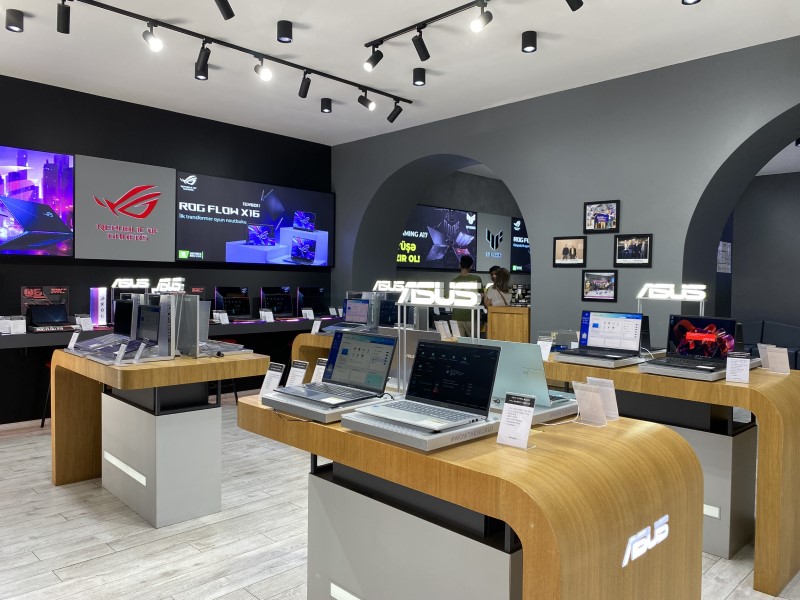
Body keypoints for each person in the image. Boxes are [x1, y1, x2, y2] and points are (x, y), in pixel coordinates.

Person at [451, 255, 483, 337]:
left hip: (457, 316)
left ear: (460, 265)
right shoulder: (476, 279)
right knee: (474, 342)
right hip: (471, 317)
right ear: (471, 266)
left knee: (459, 342)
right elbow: (481, 296)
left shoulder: (454, 281)